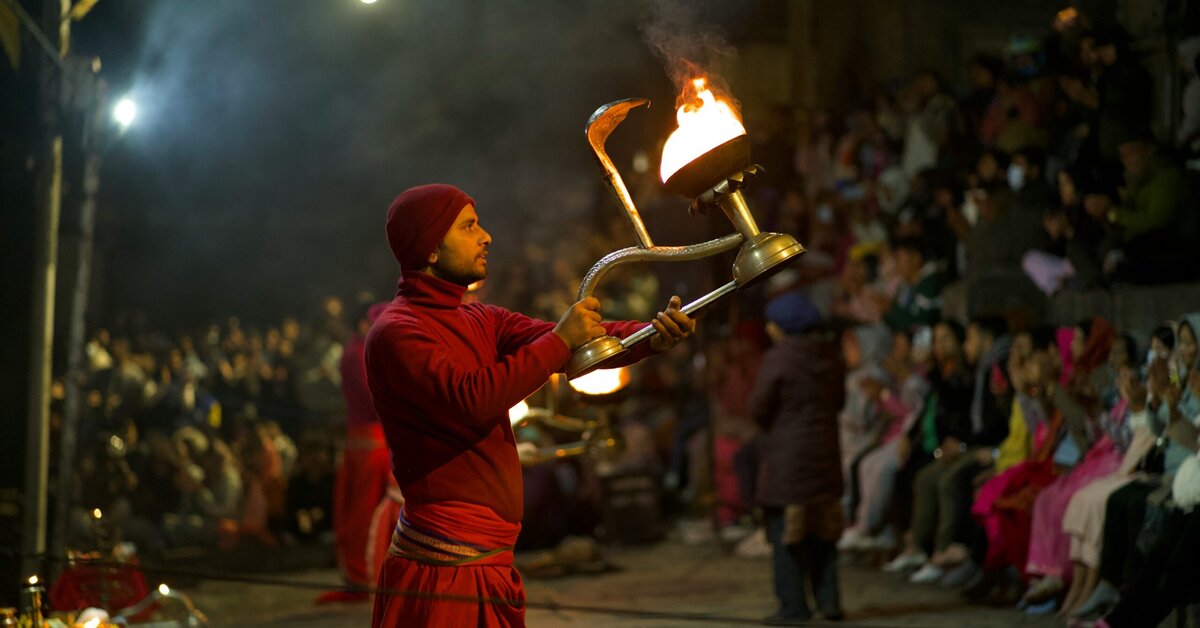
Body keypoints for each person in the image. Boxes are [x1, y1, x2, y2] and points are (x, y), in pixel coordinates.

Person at [366, 184, 697, 627]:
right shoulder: (397, 332)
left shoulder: (481, 318)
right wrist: (561, 340)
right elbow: (473, 399)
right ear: (429, 248)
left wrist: (650, 336)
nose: (486, 236)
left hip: (488, 562)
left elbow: (578, 343)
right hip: (443, 574)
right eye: (468, 227)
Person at [751, 291, 846, 624]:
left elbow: (759, 408)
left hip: (788, 463)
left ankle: (794, 607)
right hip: (824, 457)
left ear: (782, 326)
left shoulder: (780, 358)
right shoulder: (831, 355)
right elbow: (839, 401)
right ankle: (830, 602)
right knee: (824, 532)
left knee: (787, 537)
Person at [324, 302, 393, 602]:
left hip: (367, 441)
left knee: (371, 510)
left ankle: (370, 572)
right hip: (370, 443)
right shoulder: (356, 354)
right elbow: (373, 397)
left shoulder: (357, 350)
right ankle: (362, 573)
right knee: (366, 512)